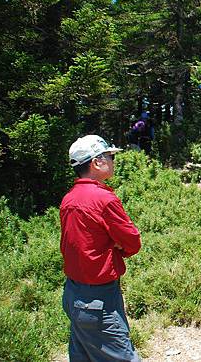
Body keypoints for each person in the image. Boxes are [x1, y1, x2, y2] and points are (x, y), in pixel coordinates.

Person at [60, 135, 141, 361]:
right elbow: (133, 242)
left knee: (83, 355)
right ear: (96, 162)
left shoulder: (69, 198)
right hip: (99, 301)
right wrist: (117, 247)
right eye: (110, 156)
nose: (113, 160)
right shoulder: (103, 199)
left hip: (73, 294)